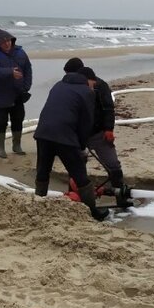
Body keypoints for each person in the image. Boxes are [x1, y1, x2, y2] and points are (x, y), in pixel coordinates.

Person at [33, 66, 108, 221]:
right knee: (80, 175)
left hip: (43, 132)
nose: (93, 87)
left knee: (43, 170)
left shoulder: (58, 85)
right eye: (93, 84)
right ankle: (92, 212)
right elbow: (86, 122)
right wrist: (81, 145)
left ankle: (37, 205)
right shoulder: (87, 92)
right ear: (88, 80)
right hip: (65, 136)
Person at [67, 61, 132, 207]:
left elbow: (108, 108)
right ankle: (76, 198)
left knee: (112, 164)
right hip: (78, 135)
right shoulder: (71, 87)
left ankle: (120, 194)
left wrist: (109, 129)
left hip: (98, 133)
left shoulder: (100, 86)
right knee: (76, 166)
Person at [0, 29, 32, 158]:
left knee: (18, 119)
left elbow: (28, 69)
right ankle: (1, 149)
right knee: (1, 121)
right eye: (4, 41)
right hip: (0, 95)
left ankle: (16, 145)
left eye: (9, 41)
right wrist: (10, 72)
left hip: (18, 94)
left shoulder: (20, 53)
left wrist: (26, 86)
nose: (7, 44)